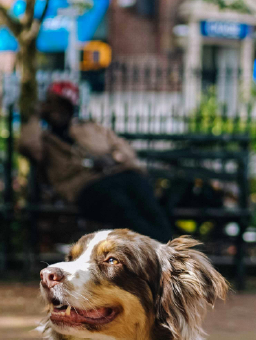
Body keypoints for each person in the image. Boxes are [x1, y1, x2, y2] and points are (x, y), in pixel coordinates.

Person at [19, 81, 172, 242]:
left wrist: (113, 158)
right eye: (53, 104)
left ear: (71, 107)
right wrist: (35, 116)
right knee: (119, 204)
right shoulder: (44, 140)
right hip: (84, 187)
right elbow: (28, 146)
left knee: (142, 191)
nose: (57, 110)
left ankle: (165, 246)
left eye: (63, 105)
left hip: (117, 174)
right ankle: (156, 247)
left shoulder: (91, 128)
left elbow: (125, 150)